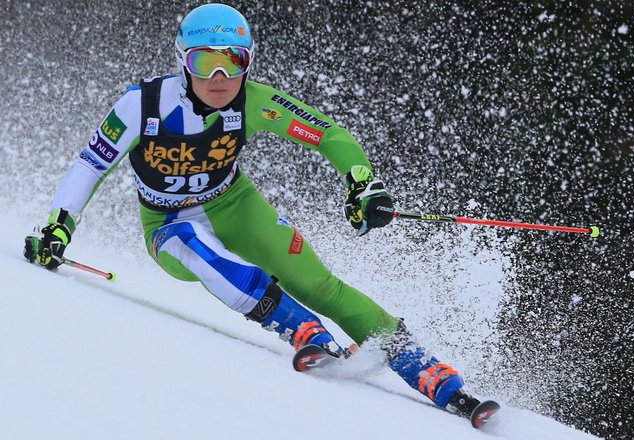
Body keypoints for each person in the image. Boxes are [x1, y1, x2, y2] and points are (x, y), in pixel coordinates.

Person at [23, 3, 481, 417]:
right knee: (193, 248)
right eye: (205, 61)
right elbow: (91, 165)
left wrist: (363, 183)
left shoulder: (256, 101)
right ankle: (301, 329)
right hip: (167, 221)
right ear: (183, 62)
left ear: (248, 63)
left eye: (234, 61)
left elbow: (330, 136)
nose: (219, 77)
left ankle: (425, 368)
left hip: (235, 205)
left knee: (315, 282)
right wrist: (59, 228)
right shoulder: (141, 104)